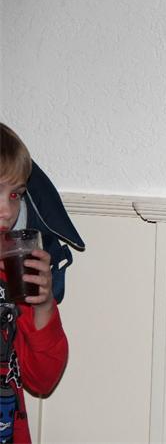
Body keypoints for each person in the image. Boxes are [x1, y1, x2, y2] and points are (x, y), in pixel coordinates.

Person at [0, 123, 69, 443]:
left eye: (15, 195)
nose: (7, 210)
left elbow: (42, 379)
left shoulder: (13, 273)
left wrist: (43, 306)